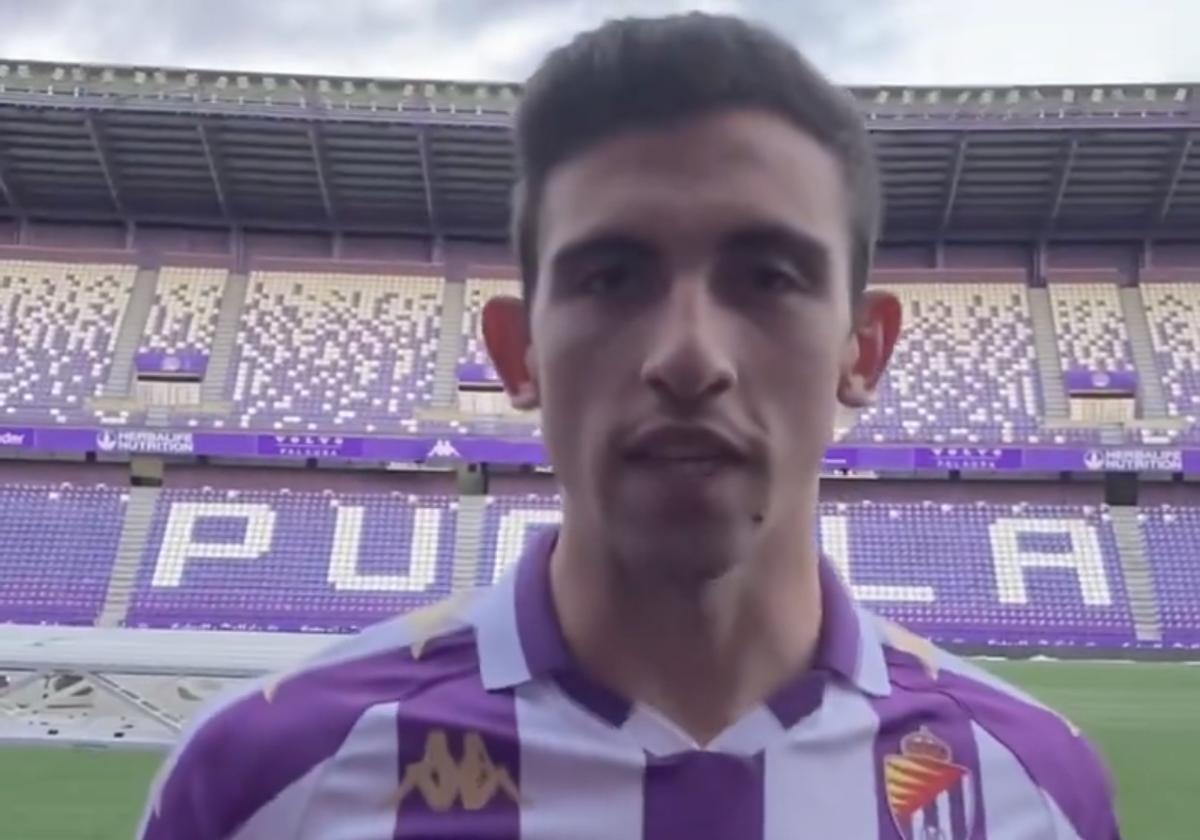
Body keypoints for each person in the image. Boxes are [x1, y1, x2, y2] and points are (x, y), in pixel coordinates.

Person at [139, 13, 1122, 839]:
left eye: (768, 278)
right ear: (518, 353)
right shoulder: (263, 781)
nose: (690, 357)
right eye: (612, 278)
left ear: (861, 350)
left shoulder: (1029, 786)